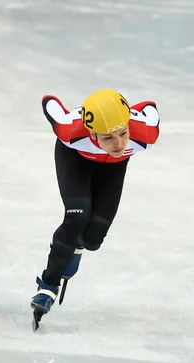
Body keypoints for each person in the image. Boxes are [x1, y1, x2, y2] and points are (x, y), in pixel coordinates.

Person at [31, 89, 160, 329]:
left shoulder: (145, 134)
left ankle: (77, 247)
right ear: (91, 132)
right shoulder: (70, 130)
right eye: (109, 138)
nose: (119, 143)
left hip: (113, 168)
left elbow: (149, 106)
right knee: (77, 216)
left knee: (93, 239)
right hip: (75, 159)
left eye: (123, 133)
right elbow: (49, 102)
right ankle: (47, 286)